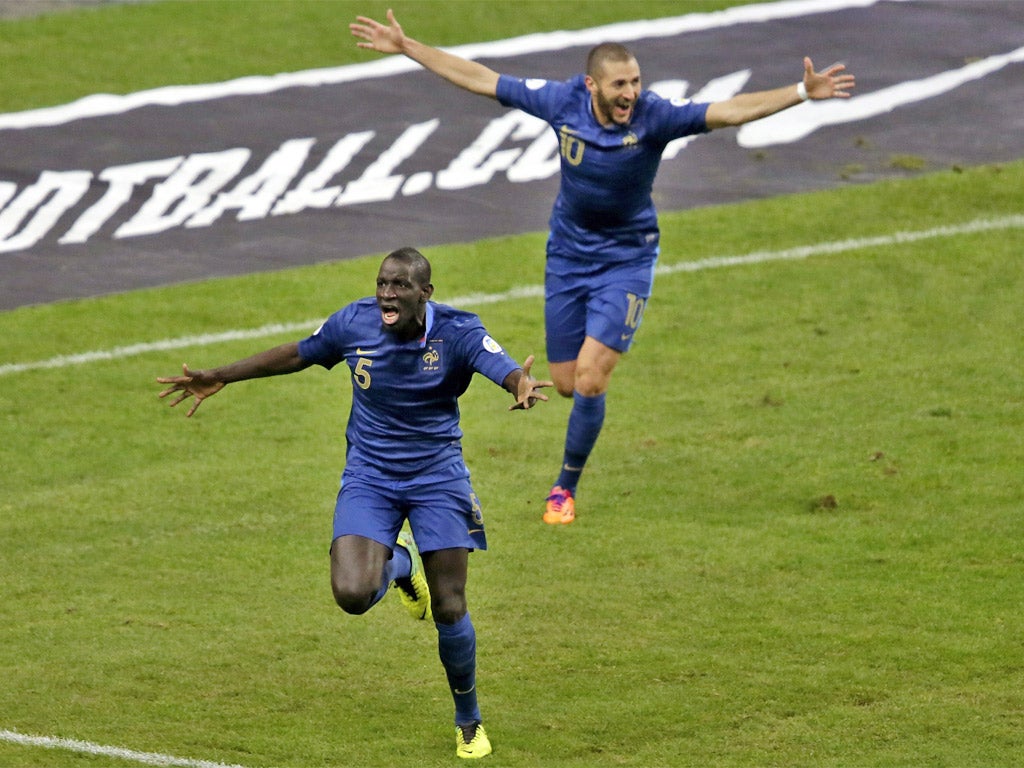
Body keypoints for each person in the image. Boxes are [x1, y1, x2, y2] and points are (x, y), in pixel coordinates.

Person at [349, 11, 856, 525]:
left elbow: (727, 111)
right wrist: (408, 46)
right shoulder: (562, 102)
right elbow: (481, 78)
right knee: (566, 382)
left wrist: (799, 90)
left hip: (627, 259)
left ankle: (563, 488)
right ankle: (577, 427)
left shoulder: (655, 116)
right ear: (593, 85)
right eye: (620, 84)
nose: (631, 93)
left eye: (636, 81)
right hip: (568, 257)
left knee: (591, 378)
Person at [157, 247, 551, 760]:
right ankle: (402, 564)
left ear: (424, 294)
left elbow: (497, 363)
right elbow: (300, 352)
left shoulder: (457, 331)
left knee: (451, 605)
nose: (387, 293)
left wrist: (519, 384)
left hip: (437, 477)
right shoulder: (355, 322)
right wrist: (224, 375)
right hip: (371, 476)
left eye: (400, 286)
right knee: (352, 593)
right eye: (383, 283)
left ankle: (468, 720)